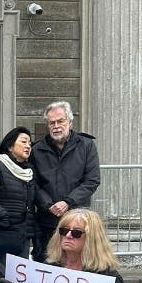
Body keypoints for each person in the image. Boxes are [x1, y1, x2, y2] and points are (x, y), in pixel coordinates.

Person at [30, 101, 100, 261]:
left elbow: (92, 180)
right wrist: (48, 204)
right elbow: (33, 183)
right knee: (48, 264)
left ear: (70, 122)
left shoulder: (86, 145)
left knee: (77, 263)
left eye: (60, 121)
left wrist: (67, 202)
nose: (56, 126)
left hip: (78, 220)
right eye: (51, 123)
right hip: (47, 221)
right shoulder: (37, 150)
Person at [0, 126, 37, 262]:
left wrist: (32, 233)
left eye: (30, 143)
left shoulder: (29, 172)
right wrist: (3, 216)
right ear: (10, 146)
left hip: (22, 236)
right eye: (23, 142)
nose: (28, 146)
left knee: (19, 279)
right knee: (1, 278)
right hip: (1, 232)